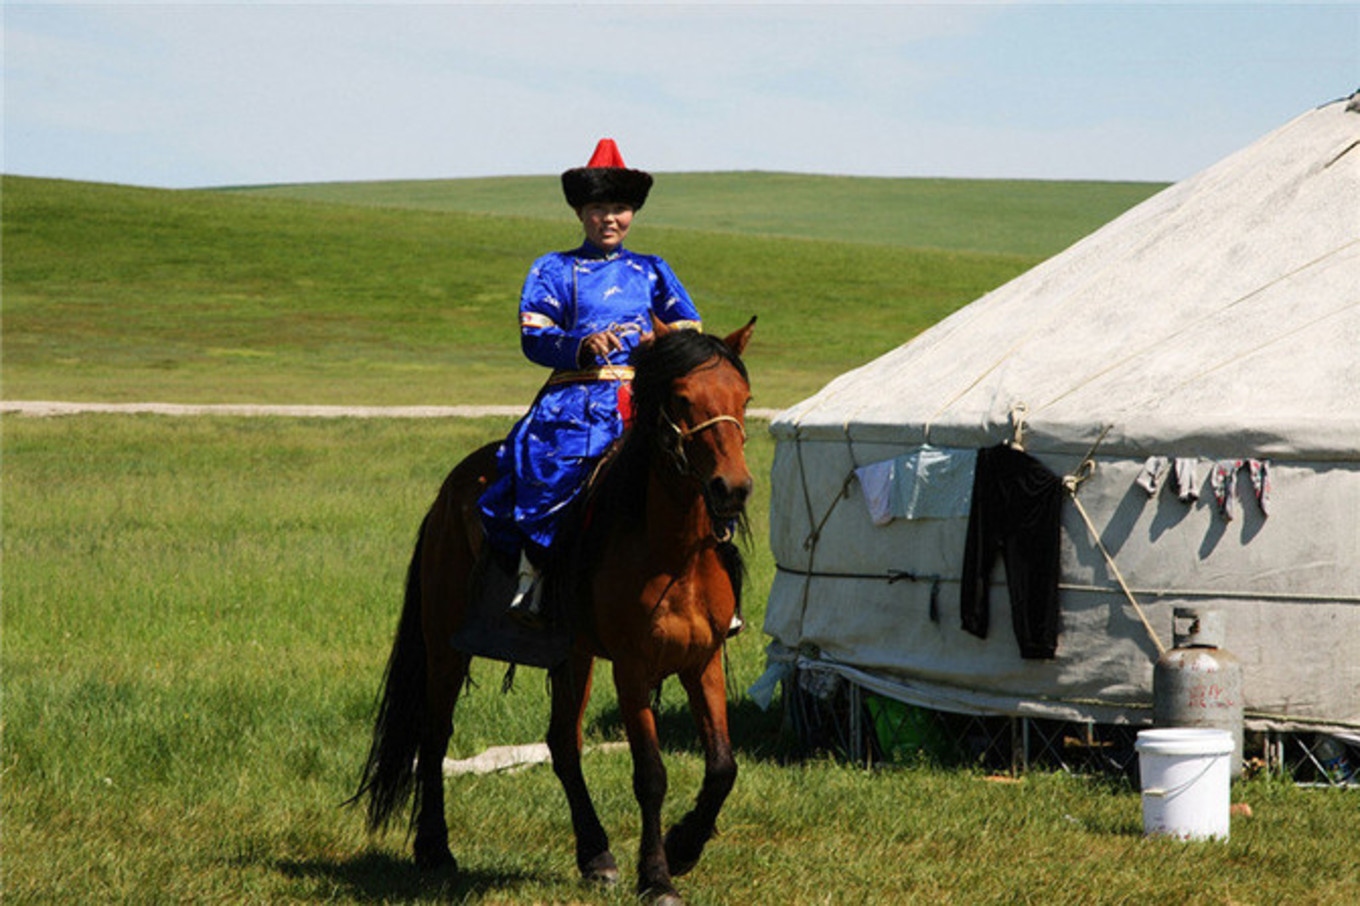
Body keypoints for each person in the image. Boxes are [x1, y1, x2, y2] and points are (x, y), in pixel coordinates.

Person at [478, 138, 704, 627]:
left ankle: (711, 591)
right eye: (599, 208)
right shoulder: (553, 269)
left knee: (700, 473)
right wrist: (581, 344)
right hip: (574, 402)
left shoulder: (653, 270)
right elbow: (534, 337)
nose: (610, 219)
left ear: (632, 214)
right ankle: (533, 576)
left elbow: (690, 329)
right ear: (581, 212)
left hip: (642, 397)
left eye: (620, 208)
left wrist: (655, 339)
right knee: (548, 469)